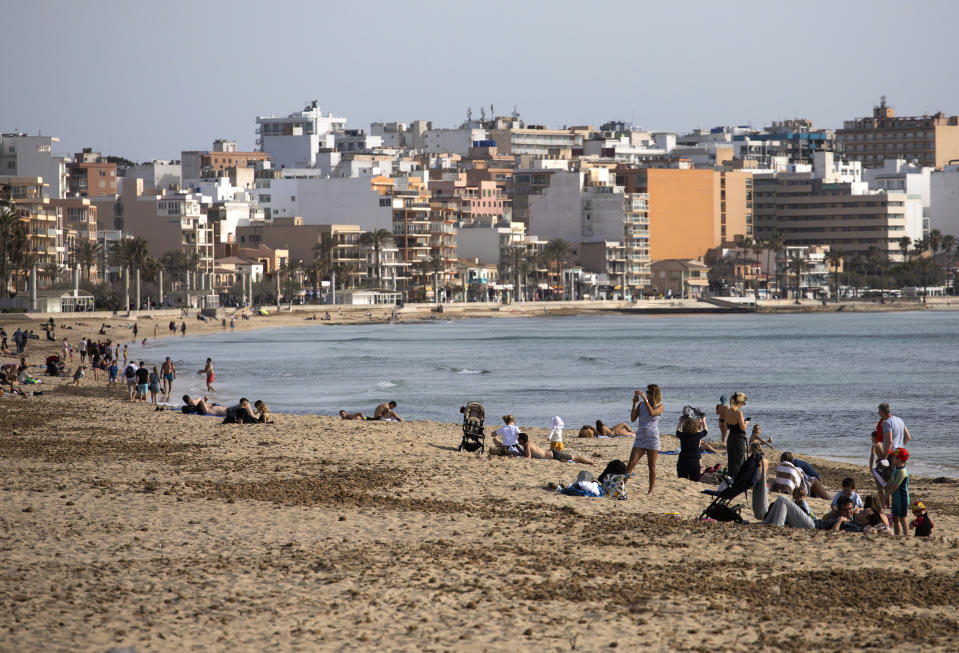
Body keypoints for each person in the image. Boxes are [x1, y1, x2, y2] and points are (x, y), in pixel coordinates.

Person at [626, 384, 663, 494]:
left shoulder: (660, 406)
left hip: (652, 438)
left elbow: (652, 413)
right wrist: (634, 403)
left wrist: (645, 399)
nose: (647, 394)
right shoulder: (642, 405)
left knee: (651, 466)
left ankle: (650, 491)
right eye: (647, 392)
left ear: (655, 394)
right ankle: (621, 486)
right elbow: (633, 419)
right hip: (641, 437)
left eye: (650, 392)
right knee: (631, 464)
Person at [763, 494, 862, 532]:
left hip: (811, 525)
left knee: (782, 499)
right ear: (840, 510)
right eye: (846, 509)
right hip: (812, 522)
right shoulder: (837, 515)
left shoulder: (850, 523)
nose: (849, 511)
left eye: (850, 508)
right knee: (779, 501)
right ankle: (766, 524)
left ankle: (777, 527)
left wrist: (840, 520)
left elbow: (835, 532)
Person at [675, 415, 718, 481]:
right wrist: (703, 421)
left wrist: (680, 422)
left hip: (682, 462)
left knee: (682, 479)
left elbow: (677, 431)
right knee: (695, 480)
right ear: (696, 428)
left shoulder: (682, 435)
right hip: (694, 463)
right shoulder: (697, 435)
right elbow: (706, 430)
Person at [517, 432, 595, 465]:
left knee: (575, 457)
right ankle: (590, 461)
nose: (517, 440)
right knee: (572, 458)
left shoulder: (527, 446)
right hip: (552, 453)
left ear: (522, 440)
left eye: (518, 439)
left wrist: (519, 457)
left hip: (554, 455)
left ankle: (591, 462)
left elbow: (528, 457)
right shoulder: (530, 442)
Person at [719, 392, 749, 477]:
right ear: (740, 402)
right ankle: (737, 480)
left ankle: (730, 478)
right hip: (739, 438)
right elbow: (743, 428)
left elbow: (726, 428)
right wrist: (746, 422)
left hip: (731, 437)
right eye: (744, 403)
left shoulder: (727, 411)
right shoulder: (738, 412)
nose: (743, 405)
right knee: (739, 461)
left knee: (731, 461)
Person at [883, 447, 910, 536]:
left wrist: (887, 494)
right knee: (895, 518)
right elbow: (891, 481)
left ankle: (906, 535)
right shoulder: (895, 469)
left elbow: (896, 485)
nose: (892, 458)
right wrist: (887, 491)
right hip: (895, 497)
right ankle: (897, 535)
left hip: (902, 498)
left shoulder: (902, 471)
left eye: (894, 457)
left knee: (903, 519)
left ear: (899, 459)